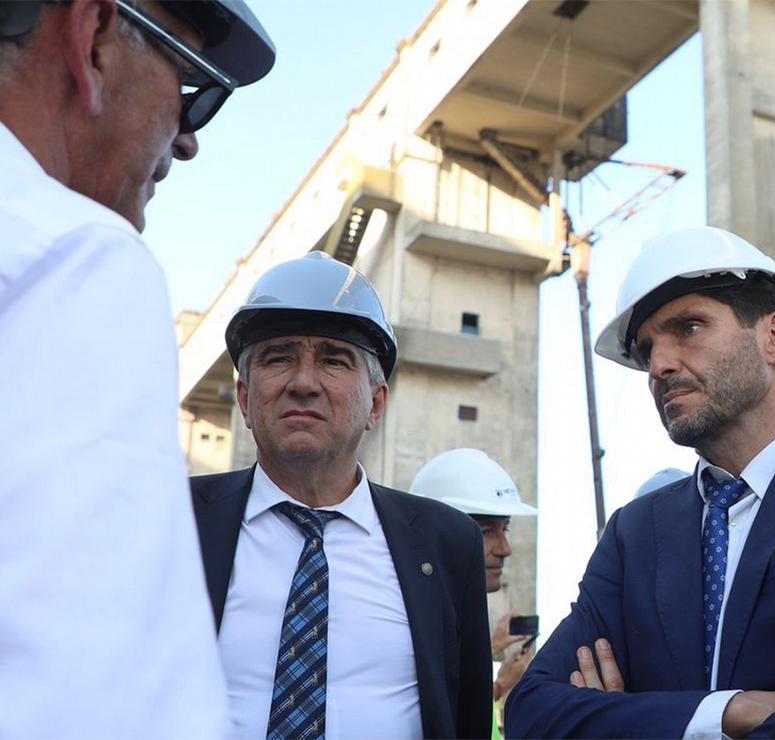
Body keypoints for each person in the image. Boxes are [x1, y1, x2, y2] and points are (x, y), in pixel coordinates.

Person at [0, 1, 273, 735]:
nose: (186, 140)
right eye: (192, 84)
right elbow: (95, 701)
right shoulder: (75, 257)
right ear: (92, 39)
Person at [506, 226, 775, 738]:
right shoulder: (636, 531)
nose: (660, 365)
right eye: (647, 350)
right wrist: (729, 711)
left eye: (689, 328)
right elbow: (532, 711)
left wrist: (635, 718)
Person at [190, 252, 492, 738]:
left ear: (375, 403)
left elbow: (469, 717)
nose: (304, 382)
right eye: (278, 356)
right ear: (245, 398)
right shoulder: (174, 519)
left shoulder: (446, 544)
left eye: (333, 359)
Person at [410, 448, 540, 731]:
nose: (505, 549)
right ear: (434, 532)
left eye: (504, 529)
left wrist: (491, 650)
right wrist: (502, 683)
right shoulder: (400, 621)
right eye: (485, 531)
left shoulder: (452, 620)